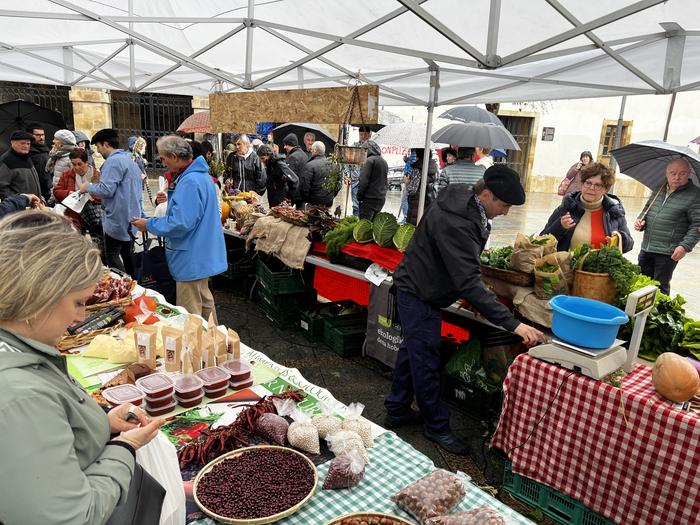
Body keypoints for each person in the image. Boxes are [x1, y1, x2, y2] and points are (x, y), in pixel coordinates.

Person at [0, 210, 164, 524]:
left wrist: (102, 424)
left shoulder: (21, 354)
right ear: (37, 296)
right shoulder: (19, 397)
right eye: (77, 302)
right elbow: (74, 517)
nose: (80, 317)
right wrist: (124, 449)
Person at [385, 166, 543, 455]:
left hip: (422, 286)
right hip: (419, 292)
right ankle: (437, 427)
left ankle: (396, 409)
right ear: (485, 194)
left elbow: (461, 264)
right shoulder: (457, 221)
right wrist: (514, 325)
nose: (506, 212)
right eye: (503, 205)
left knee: (414, 352)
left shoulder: (462, 198)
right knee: (426, 360)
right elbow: (468, 279)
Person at [131, 136, 226, 324]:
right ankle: (215, 344)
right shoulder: (202, 177)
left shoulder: (190, 181)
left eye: (164, 159)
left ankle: (197, 350)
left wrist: (149, 224)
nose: (163, 164)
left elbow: (180, 223)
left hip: (191, 256)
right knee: (205, 303)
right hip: (201, 254)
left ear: (174, 156)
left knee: (191, 313)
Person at [79, 128, 142, 276]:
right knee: (128, 254)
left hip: (117, 218)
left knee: (112, 255)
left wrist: (87, 187)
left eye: (98, 147)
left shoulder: (113, 162)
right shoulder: (127, 159)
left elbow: (106, 190)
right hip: (130, 216)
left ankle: (124, 284)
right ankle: (134, 284)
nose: (98, 151)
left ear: (106, 144)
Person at [634, 158, 700, 295]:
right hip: (647, 247)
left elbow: (697, 225)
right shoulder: (660, 188)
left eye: (682, 173)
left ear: (689, 174)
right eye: (673, 173)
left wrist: (685, 246)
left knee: (659, 289)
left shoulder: (695, 194)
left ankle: (659, 315)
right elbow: (647, 209)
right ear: (666, 173)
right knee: (640, 284)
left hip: (668, 251)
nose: (677, 177)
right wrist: (641, 220)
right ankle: (639, 316)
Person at [540, 162, 633, 253]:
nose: (591, 188)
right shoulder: (567, 207)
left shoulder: (614, 211)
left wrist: (620, 239)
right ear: (582, 184)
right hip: (566, 266)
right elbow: (542, 240)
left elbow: (629, 245)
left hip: (599, 268)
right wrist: (560, 226)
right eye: (588, 183)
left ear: (606, 189)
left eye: (598, 185)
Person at [53, 148, 102, 235]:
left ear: (86, 162)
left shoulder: (97, 175)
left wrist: (92, 199)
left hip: (93, 215)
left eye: (80, 164)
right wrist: (69, 193)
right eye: (73, 164)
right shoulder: (67, 175)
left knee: (98, 242)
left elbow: (105, 194)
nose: (76, 167)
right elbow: (57, 191)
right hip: (74, 217)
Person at [0, 130, 42, 200]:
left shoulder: (26, 157)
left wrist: (40, 196)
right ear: (12, 143)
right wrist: (20, 199)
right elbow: (1, 187)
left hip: (33, 205)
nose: (26, 146)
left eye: (28, 144)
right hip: (19, 208)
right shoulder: (7, 160)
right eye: (22, 143)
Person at [356, 140, 388, 220]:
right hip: (380, 199)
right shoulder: (384, 161)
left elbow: (363, 181)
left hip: (369, 199)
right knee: (373, 226)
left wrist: (359, 196)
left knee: (364, 227)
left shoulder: (369, 161)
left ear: (366, 150)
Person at [406, 148, 439, 225]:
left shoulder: (417, 169)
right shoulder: (435, 167)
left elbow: (412, 190)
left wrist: (407, 182)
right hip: (430, 202)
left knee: (414, 229)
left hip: (417, 205)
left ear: (418, 155)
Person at [299, 141, 335, 208]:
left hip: (314, 202)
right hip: (328, 201)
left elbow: (305, 186)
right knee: (326, 217)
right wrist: (331, 195)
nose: (311, 151)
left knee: (312, 217)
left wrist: (306, 200)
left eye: (312, 150)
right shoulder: (333, 164)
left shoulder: (309, 165)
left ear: (315, 151)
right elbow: (338, 184)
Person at [26, 123, 52, 200]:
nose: (41, 138)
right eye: (37, 135)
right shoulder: (27, 152)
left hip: (48, 190)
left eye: (42, 135)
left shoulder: (47, 149)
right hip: (35, 192)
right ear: (30, 136)